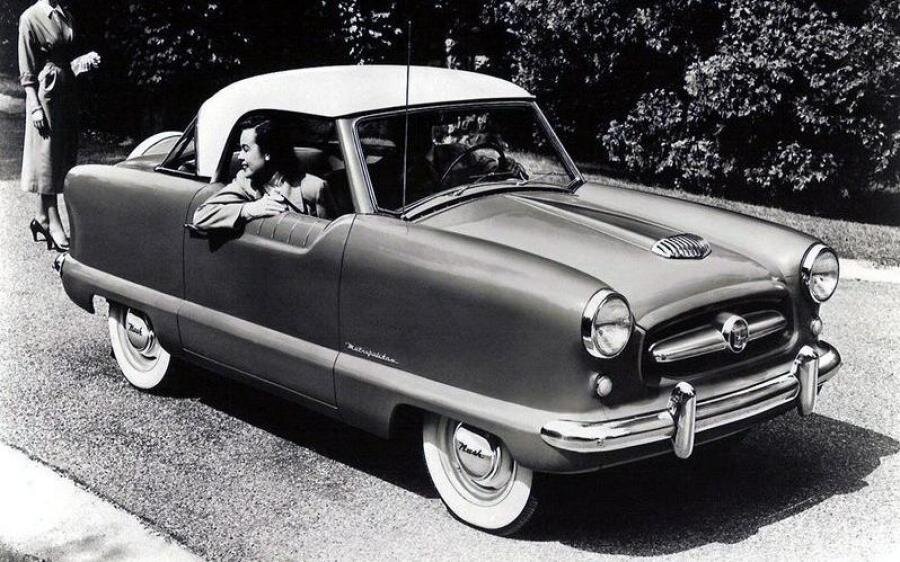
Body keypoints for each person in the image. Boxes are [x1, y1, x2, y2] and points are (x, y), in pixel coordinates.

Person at [19, 0, 101, 251]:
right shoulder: (30, 17)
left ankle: (41, 218)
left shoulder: (65, 13)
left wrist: (83, 60)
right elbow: (27, 71)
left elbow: (64, 59)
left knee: (61, 154)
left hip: (67, 91)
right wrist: (34, 106)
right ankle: (53, 223)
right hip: (46, 95)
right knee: (47, 157)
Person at [192, 117, 333, 232]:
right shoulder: (245, 181)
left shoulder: (314, 188)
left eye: (246, 149)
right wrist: (248, 209)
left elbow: (332, 242)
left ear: (267, 152)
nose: (240, 156)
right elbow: (201, 216)